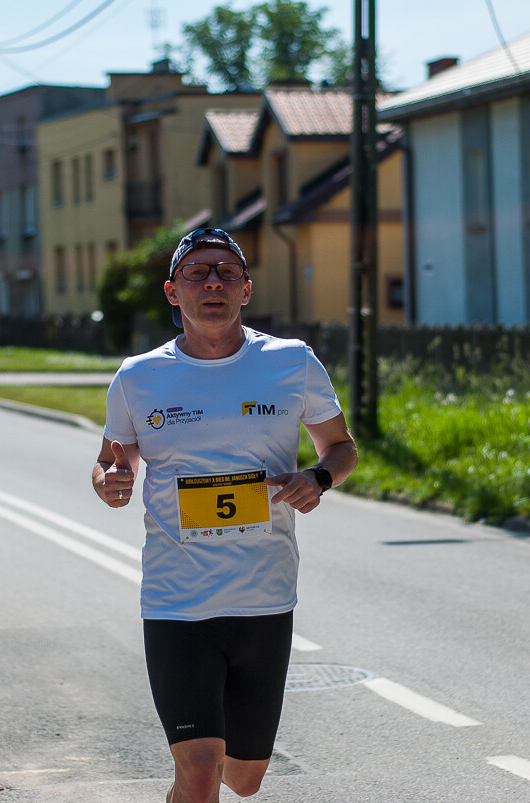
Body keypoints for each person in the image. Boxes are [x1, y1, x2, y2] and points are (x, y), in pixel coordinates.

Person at [92, 228, 357, 803]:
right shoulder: (138, 377)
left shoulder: (291, 362)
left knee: (244, 778)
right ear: (172, 290)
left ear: (245, 290)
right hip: (176, 602)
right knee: (201, 765)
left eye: (226, 273)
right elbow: (111, 461)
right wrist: (111, 482)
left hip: (264, 597)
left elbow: (341, 448)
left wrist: (318, 478)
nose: (213, 282)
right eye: (198, 272)